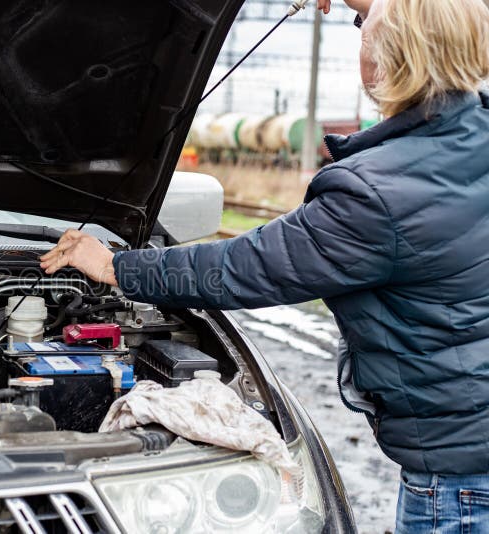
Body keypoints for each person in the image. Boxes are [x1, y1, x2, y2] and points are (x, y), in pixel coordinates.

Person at [40, 0, 489, 531]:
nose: (358, 30)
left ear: (391, 59)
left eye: (363, 25)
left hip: (458, 482)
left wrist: (117, 268)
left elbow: (244, 267)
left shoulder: (376, 194)